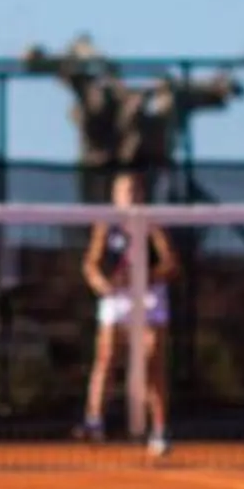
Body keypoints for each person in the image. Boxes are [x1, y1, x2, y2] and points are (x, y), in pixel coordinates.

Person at [78, 170, 176, 457]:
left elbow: (170, 263)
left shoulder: (153, 223)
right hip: (117, 296)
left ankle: (159, 429)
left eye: (135, 190)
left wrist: (146, 277)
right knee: (106, 357)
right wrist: (102, 283)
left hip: (149, 295)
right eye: (125, 191)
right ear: (115, 196)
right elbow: (91, 265)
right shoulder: (106, 225)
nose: (130, 195)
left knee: (151, 360)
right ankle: (94, 422)